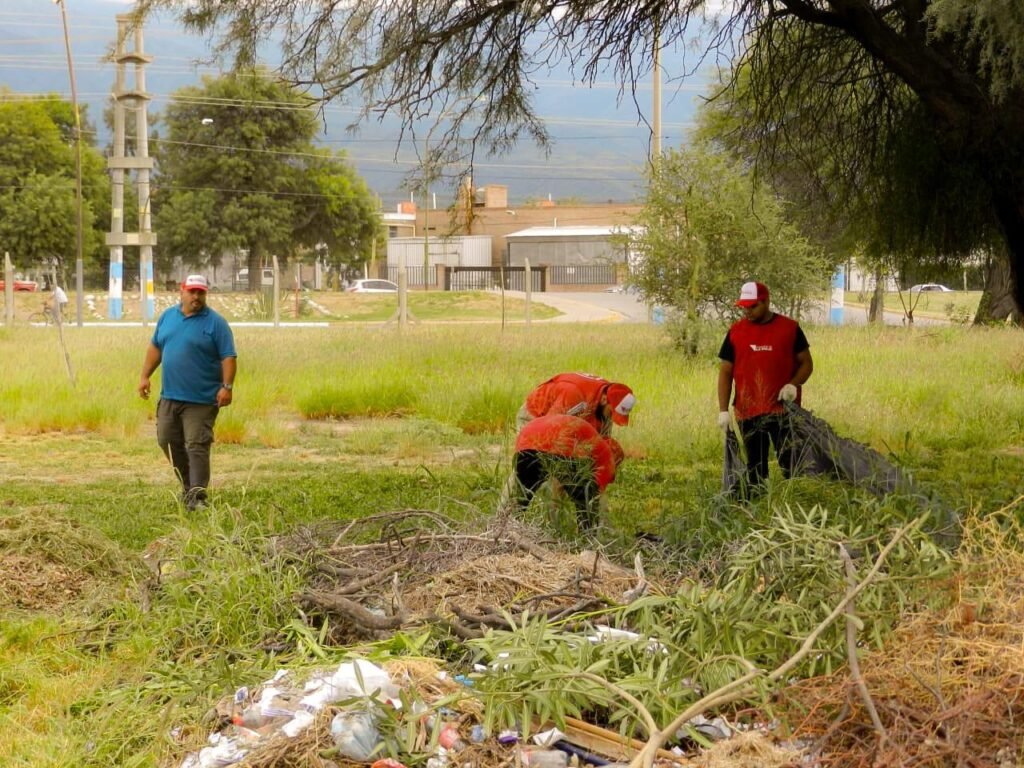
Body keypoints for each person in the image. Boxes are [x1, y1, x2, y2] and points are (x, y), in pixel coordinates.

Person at [138, 274, 237, 510]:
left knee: (196, 444)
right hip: (170, 396)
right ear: (181, 291)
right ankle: (188, 487)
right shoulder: (168, 317)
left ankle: (198, 496)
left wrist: (227, 387)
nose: (196, 296)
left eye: (201, 292)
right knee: (167, 441)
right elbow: (156, 347)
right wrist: (144, 376)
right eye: (192, 291)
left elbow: (229, 357)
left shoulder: (216, 323)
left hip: (201, 400)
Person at [717, 281, 813, 496]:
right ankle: (757, 510)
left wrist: (793, 384)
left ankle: (794, 502)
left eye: (753, 306)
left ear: (767, 301)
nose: (748, 311)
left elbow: (807, 363)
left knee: (791, 464)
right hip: (748, 411)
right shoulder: (736, 332)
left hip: (784, 411)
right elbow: (725, 372)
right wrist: (723, 410)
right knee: (755, 468)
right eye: (745, 307)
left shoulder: (790, 328)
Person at [507, 413, 625, 531]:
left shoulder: (588, 440)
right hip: (553, 442)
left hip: (526, 440)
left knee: (521, 497)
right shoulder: (607, 454)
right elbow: (597, 495)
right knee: (586, 498)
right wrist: (606, 526)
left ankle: (507, 531)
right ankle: (588, 538)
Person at [516, 372, 636, 435]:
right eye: (611, 412)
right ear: (605, 400)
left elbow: (602, 441)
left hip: (571, 411)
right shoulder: (575, 396)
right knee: (531, 462)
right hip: (534, 415)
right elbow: (550, 429)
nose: (611, 417)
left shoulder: (608, 396)